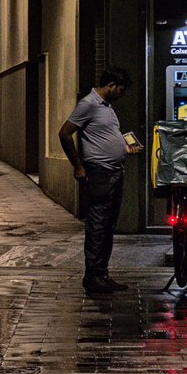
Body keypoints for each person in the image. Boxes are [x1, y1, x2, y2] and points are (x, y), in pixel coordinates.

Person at [58, 67, 141, 294]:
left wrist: (124, 147)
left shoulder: (107, 107)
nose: (122, 94)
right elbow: (65, 133)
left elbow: (104, 137)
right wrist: (78, 165)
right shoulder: (89, 104)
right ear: (111, 85)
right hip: (99, 173)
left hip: (114, 172)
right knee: (97, 225)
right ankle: (93, 276)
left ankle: (102, 273)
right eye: (120, 89)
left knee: (108, 226)